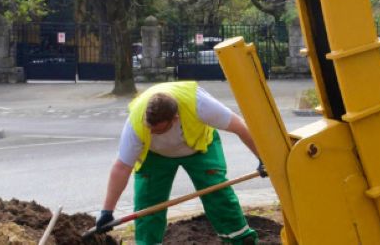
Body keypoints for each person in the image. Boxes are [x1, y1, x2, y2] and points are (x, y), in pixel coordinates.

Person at [98, 81, 263, 244]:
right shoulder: (136, 123)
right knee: (148, 205)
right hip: (155, 155)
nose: (152, 132)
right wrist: (107, 211)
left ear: (175, 118)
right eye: (150, 128)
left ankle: (239, 239)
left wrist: (263, 159)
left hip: (199, 147)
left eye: (158, 130)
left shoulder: (200, 104)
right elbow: (122, 167)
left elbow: (240, 127)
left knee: (216, 191)